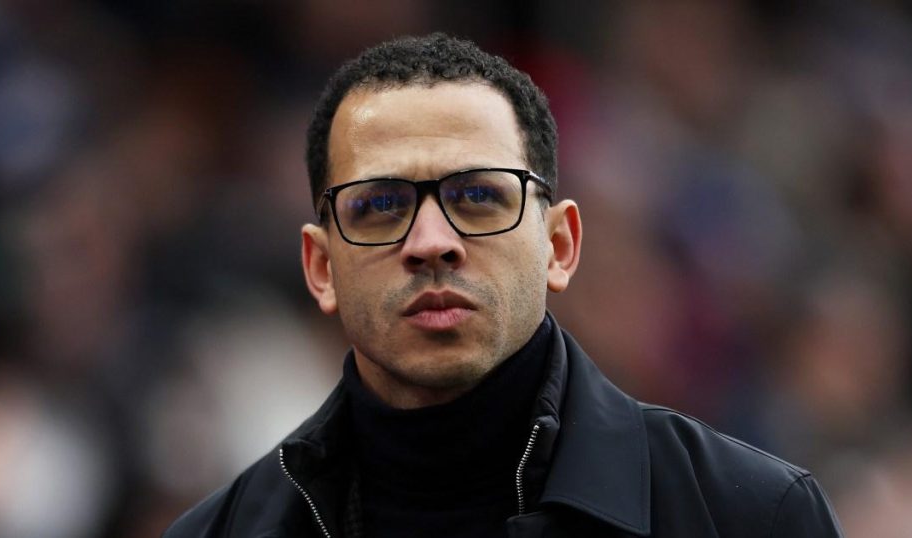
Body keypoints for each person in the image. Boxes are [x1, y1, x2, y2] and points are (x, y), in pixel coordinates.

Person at [164, 33, 843, 538]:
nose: (431, 242)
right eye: (380, 206)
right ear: (320, 267)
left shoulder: (752, 517)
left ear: (558, 246)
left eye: (479, 196)